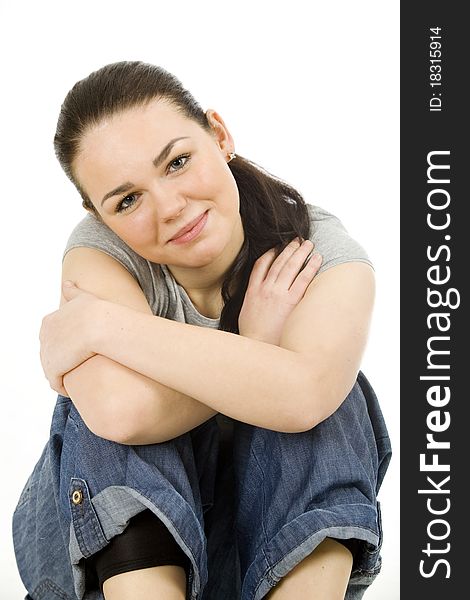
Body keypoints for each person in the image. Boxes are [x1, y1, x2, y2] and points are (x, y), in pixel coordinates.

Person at [12, 61, 391, 600]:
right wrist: (257, 359)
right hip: (115, 569)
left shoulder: (318, 251)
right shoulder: (101, 253)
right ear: (98, 214)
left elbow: (307, 393)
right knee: (99, 411)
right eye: (127, 200)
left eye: (178, 162)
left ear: (219, 134)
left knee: (337, 397)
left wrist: (104, 324)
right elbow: (121, 413)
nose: (170, 208)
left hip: (264, 557)